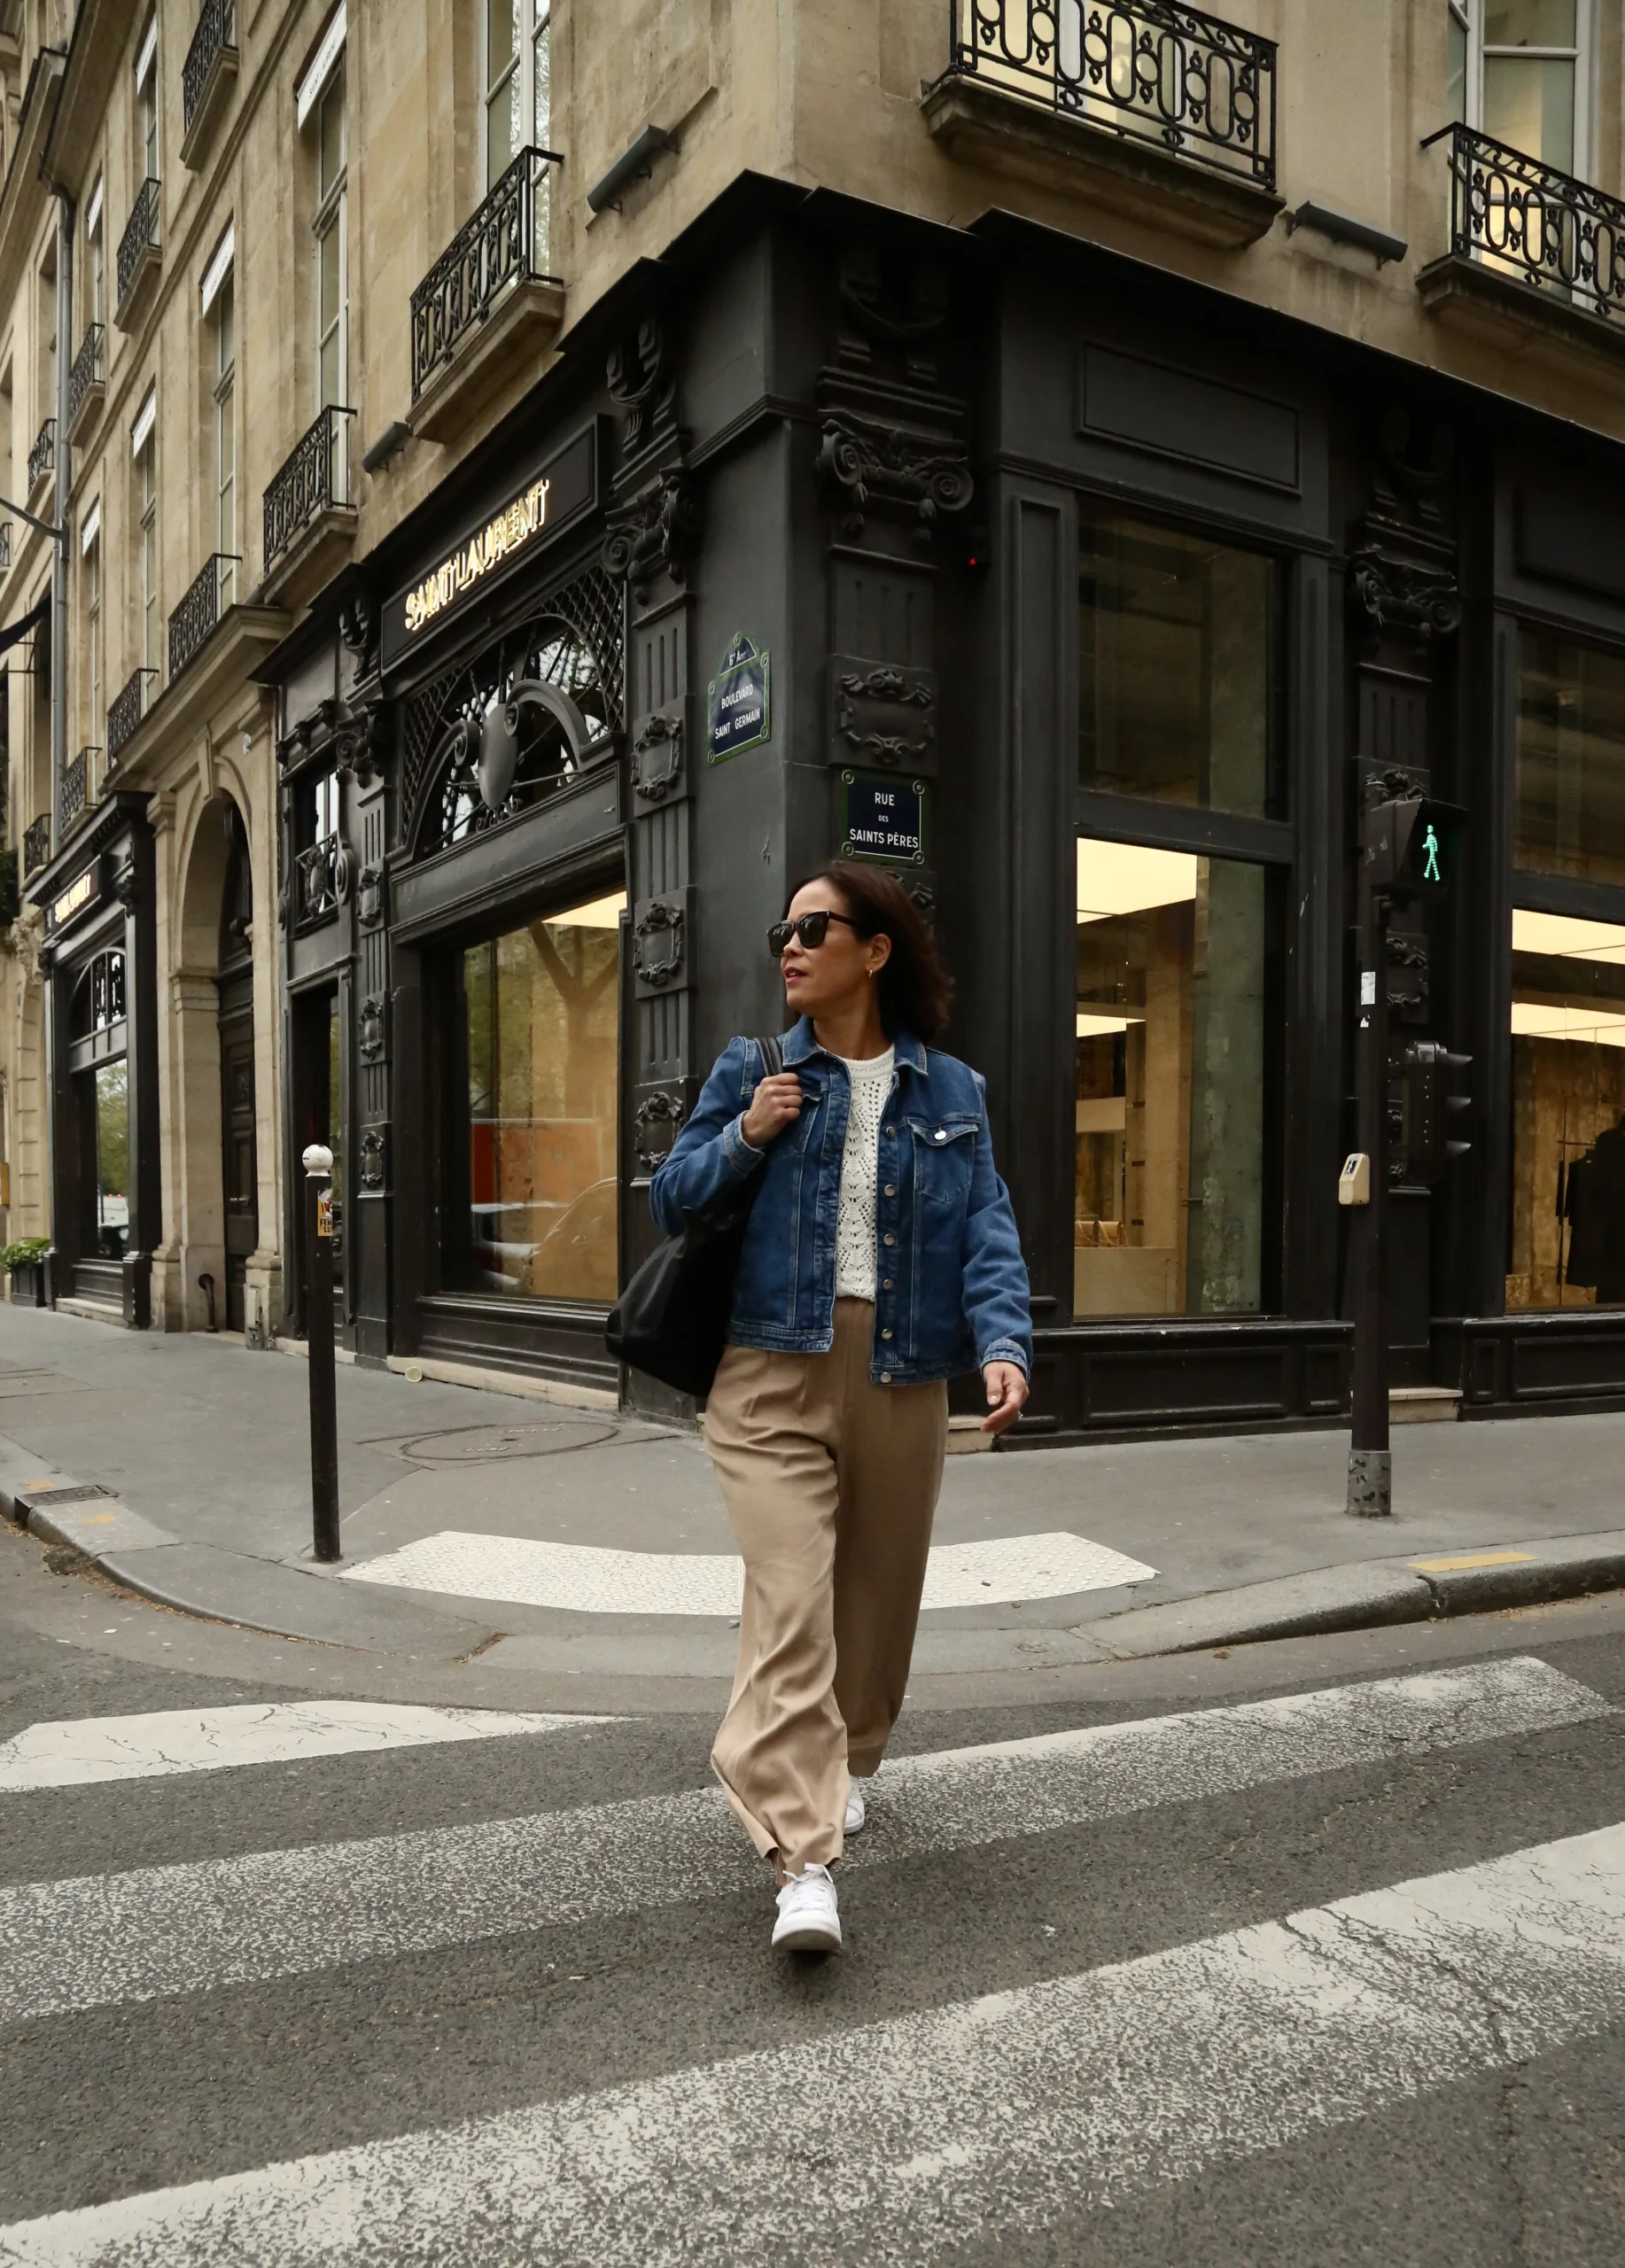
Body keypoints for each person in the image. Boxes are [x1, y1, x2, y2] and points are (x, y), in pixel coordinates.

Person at [650, 861, 1031, 1953]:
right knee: (791, 1601)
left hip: (904, 1372)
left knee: (876, 1602)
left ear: (875, 950)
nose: (791, 943)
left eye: (815, 927)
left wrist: (1001, 1344)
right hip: (771, 1370)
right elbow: (670, 1198)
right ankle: (804, 1856)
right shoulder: (753, 1069)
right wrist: (746, 1135)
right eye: (785, 927)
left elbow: (987, 1229)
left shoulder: (954, 1091)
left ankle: (846, 1754)